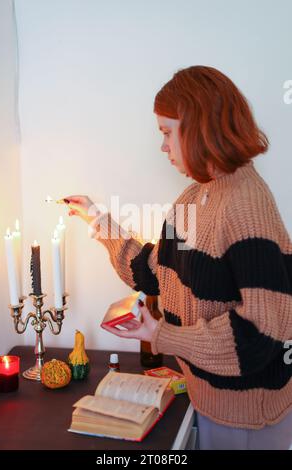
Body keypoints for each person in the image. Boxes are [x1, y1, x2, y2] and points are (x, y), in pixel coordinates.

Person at [63, 66, 292, 450]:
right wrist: (99, 222)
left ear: (201, 127)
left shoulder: (247, 204)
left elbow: (260, 335)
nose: (163, 146)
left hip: (246, 414)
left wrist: (160, 334)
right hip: (207, 396)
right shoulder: (194, 196)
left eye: (168, 132)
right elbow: (155, 275)